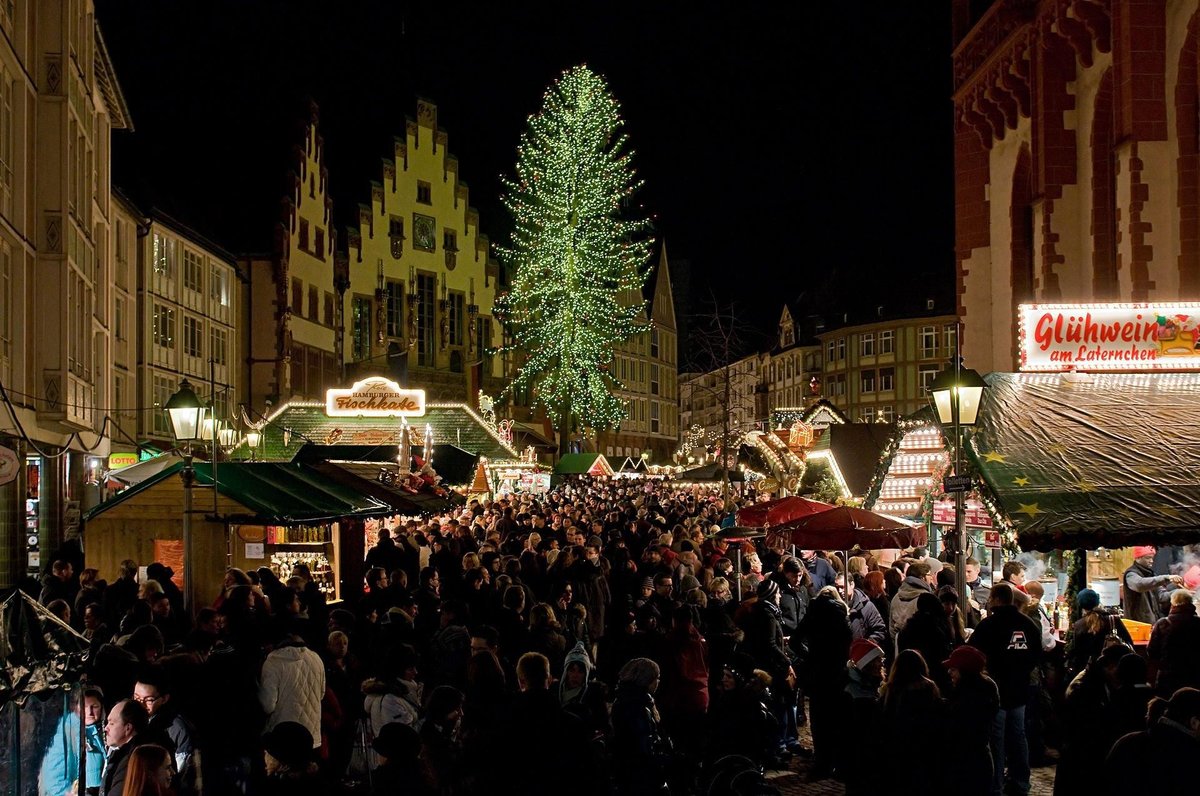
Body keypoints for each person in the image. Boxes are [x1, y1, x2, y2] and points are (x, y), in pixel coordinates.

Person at [969, 582, 1041, 796]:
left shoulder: (988, 625)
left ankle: (997, 784)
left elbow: (974, 652)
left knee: (996, 739)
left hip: (996, 690)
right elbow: (1036, 655)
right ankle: (1020, 782)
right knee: (1018, 737)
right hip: (1020, 689)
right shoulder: (1028, 624)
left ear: (996, 599)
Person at [943, 645, 999, 794]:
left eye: (953, 669)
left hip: (968, 764)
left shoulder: (967, 698)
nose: (949, 672)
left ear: (965, 671)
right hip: (981, 759)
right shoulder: (987, 687)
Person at [610, 658, 670, 796]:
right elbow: (645, 747)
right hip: (641, 777)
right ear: (647, 680)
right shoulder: (640, 707)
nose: (658, 682)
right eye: (657, 678)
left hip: (626, 773)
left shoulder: (622, 700)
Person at [258, 628, 325, 752]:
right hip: (311, 734)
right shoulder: (316, 658)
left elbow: (268, 705)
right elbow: (321, 694)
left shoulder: (273, 661)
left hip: (282, 733)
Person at [133, 665, 196, 792]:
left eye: (148, 700)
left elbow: (181, 774)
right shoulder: (131, 716)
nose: (140, 704)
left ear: (164, 699)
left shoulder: (177, 728)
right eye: (136, 698)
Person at [38, 686, 105, 796]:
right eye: (84, 706)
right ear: (75, 707)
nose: (89, 712)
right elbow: (54, 777)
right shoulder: (67, 732)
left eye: (95, 706)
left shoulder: (101, 730)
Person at [1064, 588, 1132, 679]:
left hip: (1091, 673)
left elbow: (1078, 652)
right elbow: (1129, 642)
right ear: (1097, 601)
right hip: (1113, 670)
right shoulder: (1113, 620)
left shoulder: (1079, 625)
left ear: (1081, 605)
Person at [1147, 589, 1200, 696]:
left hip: (1168, 676)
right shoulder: (1198, 623)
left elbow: (1152, 651)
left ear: (1173, 603)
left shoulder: (1163, 623)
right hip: (1194, 675)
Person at [1123, 546, 1183, 624]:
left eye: (1152, 558)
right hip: (1137, 624)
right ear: (1138, 558)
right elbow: (1140, 585)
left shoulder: (1150, 574)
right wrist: (1167, 577)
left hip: (1152, 623)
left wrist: (1179, 592)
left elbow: (1161, 596)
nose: (1151, 561)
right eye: (1147, 558)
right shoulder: (1131, 574)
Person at [102, 699, 149, 796]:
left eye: (111, 723)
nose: (106, 728)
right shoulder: (123, 755)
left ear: (128, 728)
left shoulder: (132, 760)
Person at [889, 560, 933, 643]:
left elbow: (891, 626)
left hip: (900, 647)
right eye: (929, 574)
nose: (931, 577)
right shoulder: (926, 598)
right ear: (922, 577)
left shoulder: (896, 597)